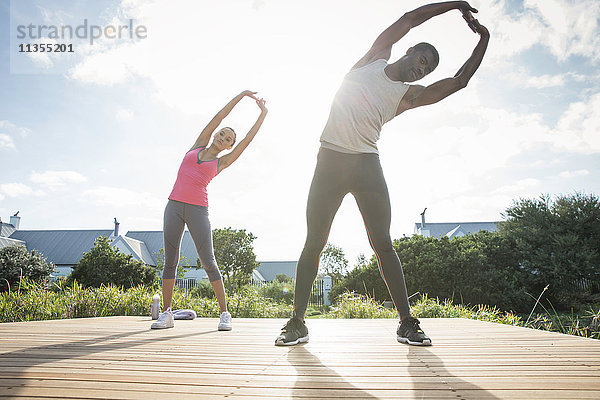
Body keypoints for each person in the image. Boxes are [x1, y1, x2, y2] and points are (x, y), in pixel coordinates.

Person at [275, 1, 489, 346]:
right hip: (329, 162)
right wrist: (454, 6)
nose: (423, 69)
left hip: (366, 167)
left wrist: (484, 39)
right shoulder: (372, 59)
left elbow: (460, 81)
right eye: (422, 60)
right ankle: (297, 322)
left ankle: (407, 322)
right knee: (314, 242)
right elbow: (408, 19)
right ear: (407, 52)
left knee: (383, 244)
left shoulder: (408, 96)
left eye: (428, 68)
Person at [152, 90, 268, 330]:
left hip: (198, 210)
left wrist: (263, 114)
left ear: (228, 147)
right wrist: (243, 95)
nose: (222, 138)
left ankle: (225, 313)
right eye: (222, 134)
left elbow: (247, 140)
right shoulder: (197, 145)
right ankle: (166, 313)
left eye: (227, 140)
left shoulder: (222, 162)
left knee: (209, 262)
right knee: (169, 262)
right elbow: (219, 115)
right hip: (173, 206)